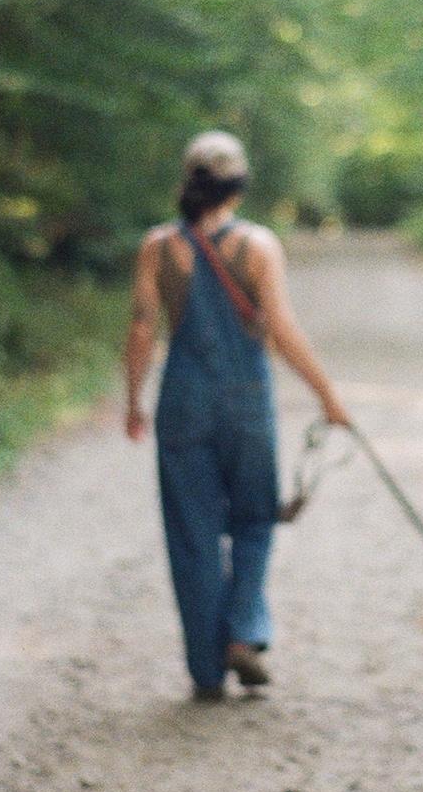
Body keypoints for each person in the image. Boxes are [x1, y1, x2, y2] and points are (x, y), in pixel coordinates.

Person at [123, 130, 351, 700]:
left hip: (182, 402)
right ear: (238, 185)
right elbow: (281, 329)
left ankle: (205, 669)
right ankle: (243, 633)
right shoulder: (257, 246)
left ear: (187, 181)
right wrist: (327, 394)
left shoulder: (157, 247)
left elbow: (142, 328)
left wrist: (134, 400)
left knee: (192, 533)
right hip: (246, 401)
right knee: (253, 519)